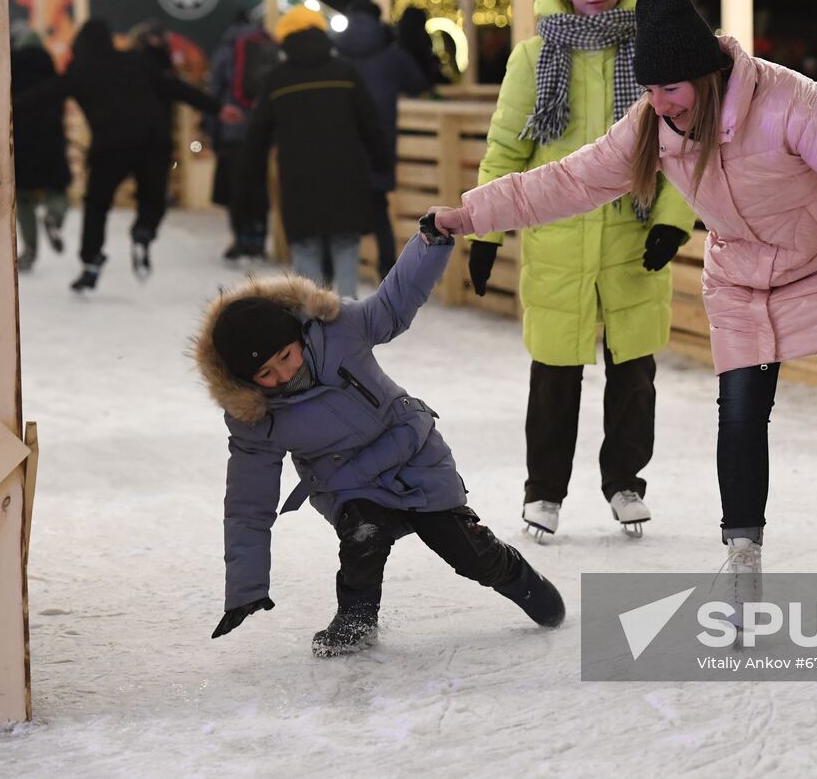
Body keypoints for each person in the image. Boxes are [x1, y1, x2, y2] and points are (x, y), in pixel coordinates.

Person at [431, 0, 817, 620]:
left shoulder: (792, 105)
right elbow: (564, 182)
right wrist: (469, 215)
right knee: (741, 416)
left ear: (703, 74)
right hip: (745, 279)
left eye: (669, 89)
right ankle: (743, 566)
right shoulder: (654, 124)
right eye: (649, 89)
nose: (659, 104)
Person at [193, 225, 565, 656]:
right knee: (362, 536)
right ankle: (356, 619)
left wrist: (432, 242)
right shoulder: (254, 418)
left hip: (413, 455)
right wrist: (246, 587)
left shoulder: (339, 329)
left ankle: (520, 579)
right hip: (349, 483)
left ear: (298, 337)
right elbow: (247, 505)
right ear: (246, 380)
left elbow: (395, 302)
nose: (282, 375)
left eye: (285, 358)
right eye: (266, 375)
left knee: (468, 553)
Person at [470, 0, 697, 541]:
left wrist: (674, 223)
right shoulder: (534, 55)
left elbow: (680, 142)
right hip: (559, 240)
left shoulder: (652, 52)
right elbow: (506, 152)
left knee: (633, 372)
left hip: (632, 235)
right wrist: (486, 230)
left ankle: (625, 483)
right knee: (554, 373)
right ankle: (543, 492)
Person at [57, 19, 235, 292]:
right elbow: (175, 88)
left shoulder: (79, 70)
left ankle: (91, 260)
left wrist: (12, 105)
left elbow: (47, 96)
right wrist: (217, 108)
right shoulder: (135, 60)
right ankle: (145, 230)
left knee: (97, 204)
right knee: (152, 196)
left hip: (110, 145)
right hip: (153, 140)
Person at [246, 6, 386, 298]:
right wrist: (381, 161)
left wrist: (251, 179)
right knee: (345, 246)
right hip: (345, 178)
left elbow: (257, 134)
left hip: (299, 181)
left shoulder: (278, 79)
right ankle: (348, 323)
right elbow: (370, 121)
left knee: (306, 251)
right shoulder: (345, 72)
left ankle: (312, 327)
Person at [334, 0, 434, 278]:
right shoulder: (392, 54)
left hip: (344, 143)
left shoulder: (336, 53)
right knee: (379, 209)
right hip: (379, 140)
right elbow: (419, 84)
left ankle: (339, 274)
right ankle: (386, 268)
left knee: (341, 208)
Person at [209, 11, 278, 263]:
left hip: (233, 129)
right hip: (261, 129)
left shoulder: (226, 49)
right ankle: (259, 238)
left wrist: (213, 131)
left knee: (237, 186)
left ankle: (241, 238)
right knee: (258, 183)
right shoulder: (265, 44)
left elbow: (215, 91)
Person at [10, 39, 71, 272]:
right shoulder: (55, 83)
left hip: (22, 147)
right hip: (51, 145)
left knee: (23, 198)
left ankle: (30, 249)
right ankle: (54, 218)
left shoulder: (11, 83)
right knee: (57, 191)